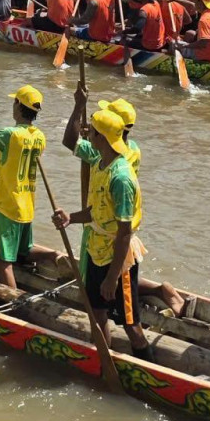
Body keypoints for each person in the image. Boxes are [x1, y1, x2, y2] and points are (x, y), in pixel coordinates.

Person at [54, 102, 155, 357]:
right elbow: (97, 210)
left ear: (100, 136)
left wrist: (112, 277)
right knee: (97, 313)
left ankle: (146, 364)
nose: (87, 134)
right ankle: (102, 359)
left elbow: (124, 232)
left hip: (117, 260)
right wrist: (70, 218)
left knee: (131, 325)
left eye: (92, 131)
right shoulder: (100, 163)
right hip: (96, 249)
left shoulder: (121, 177)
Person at [0, 84, 47, 291]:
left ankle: (14, 298)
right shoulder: (40, 137)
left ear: (17, 105)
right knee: (25, 251)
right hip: (27, 204)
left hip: (8, 206)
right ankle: (55, 256)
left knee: (1, 261)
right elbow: (17, 165)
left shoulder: (10, 134)